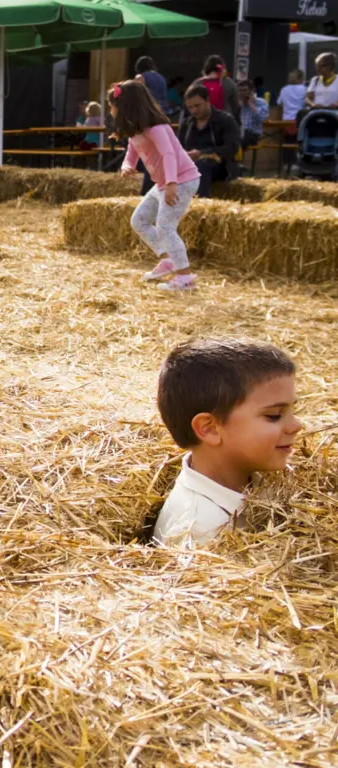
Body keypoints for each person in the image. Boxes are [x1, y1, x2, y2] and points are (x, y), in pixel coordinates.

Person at [152, 338, 300, 548]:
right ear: (209, 428)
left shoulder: (255, 479)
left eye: (293, 410)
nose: (297, 425)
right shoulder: (197, 532)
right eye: (274, 415)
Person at [113, 80, 201, 293]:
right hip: (164, 182)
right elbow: (131, 152)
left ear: (126, 106)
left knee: (165, 226)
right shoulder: (136, 131)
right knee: (139, 220)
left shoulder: (157, 128)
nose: (111, 110)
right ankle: (167, 260)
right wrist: (127, 166)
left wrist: (171, 183)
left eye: (113, 105)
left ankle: (185, 277)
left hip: (181, 179)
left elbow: (168, 154)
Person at [179, 85, 240, 199]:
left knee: (201, 165)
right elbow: (179, 148)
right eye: (190, 107)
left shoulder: (226, 120)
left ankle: (200, 202)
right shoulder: (186, 124)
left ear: (208, 101)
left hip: (221, 167)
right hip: (190, 165)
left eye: (197, 106)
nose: (194, 110)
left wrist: (202, 153)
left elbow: (232, 148)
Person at [198, 55, 241, 120]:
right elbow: (235, 105)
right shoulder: (230, 83)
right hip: (224, 119)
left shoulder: (199, 83)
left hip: (203, 119)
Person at [302, 52, 338, 119]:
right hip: (316, 116)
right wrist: (313, 105)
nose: (318, 69)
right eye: (317, 66)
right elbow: (307, 98)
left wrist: (336, 104)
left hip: (334, 116)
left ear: (330, 66)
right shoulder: (315, 80)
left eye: (321, 66)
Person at [237, 78, 270, 149]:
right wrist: (238, 108)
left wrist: (252, 105)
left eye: (244, 90)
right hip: (239, 132)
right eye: (240, 90)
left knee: (240, 141)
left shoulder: (261, 102)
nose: (242, 93)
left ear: (251, 91)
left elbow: (263, 118)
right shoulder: (237, 104)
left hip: (252, 133)